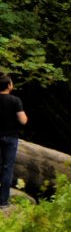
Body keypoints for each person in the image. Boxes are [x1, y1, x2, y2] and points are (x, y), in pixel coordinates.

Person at [0, 74, 27, 209]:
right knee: (7, 168)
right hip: (10, 138)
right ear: (9, 86)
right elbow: (23, 120)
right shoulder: (15, 100)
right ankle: (3, 202)